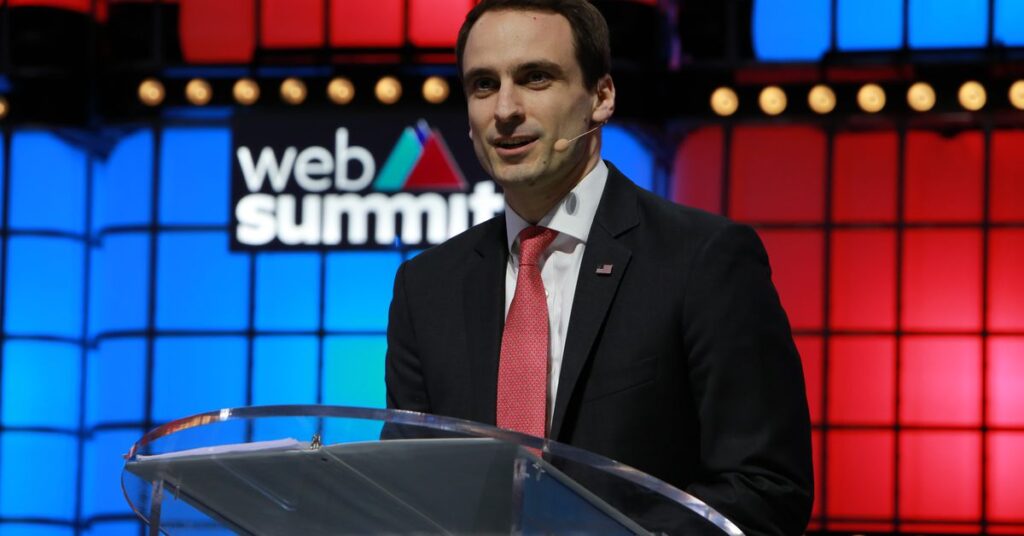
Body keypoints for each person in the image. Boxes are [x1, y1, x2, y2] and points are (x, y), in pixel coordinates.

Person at [385, 1, 813, 534]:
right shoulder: (426, 287)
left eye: (535, 77)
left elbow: (765, 489)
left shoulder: (703, 260)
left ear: (601, 97)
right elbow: (409, 493)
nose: (506, 109)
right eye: (483, 85)